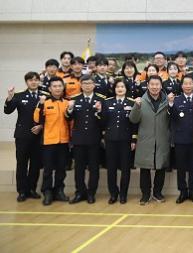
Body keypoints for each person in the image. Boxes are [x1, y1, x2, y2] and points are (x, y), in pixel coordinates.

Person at [4, 72, 45, 201]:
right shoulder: (19, 95)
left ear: (39, 81)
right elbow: (7, 111)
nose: (33, 82)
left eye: (36, 80)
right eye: (30, 80)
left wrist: (41, 126)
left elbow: (49, 116)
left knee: (35, 164)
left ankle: (32, 189)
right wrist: (10, 97)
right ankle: (22, 191)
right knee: (22, 164)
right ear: (26, 82)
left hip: (39, 136)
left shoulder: (45, 96)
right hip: (22, 135)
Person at [129, 75, 171, 205]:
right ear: (147, 85)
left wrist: (171, 105)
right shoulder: (141, 101)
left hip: (162, 139)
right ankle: (145, 195)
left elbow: (172, 119)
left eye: (157, 84)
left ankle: (157, 193)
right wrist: (136, 106)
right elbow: (133, 119)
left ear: (161, 86)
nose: (154, 87)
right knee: (144, 169)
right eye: (152, 84)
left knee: (160, 168)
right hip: (145, 140)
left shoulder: (167, 101)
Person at [66, 75, 105, 204]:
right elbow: (68, 118)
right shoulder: (74, 99)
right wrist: (70, 109)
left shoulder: (101, 99)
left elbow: (104, 121)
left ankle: (91, 193)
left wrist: (100, 111)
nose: (87, 85)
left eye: (90, 83)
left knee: (94, 168)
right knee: (79, 168)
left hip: (94, 139)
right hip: (79, 139)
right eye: (85, 83)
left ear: (94, 85)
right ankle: (80, 192)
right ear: (81, 85)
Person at [169, 75, 193, 203]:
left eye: (190, 83)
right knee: (180, 168)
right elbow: (172, 118)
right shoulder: (176, 100)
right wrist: (170, 104)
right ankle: (183, 192)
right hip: (180, 139)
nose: (188, 86)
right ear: (182, 86)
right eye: (185, 83)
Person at [33, 76, 71, 205]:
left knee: (61, 169)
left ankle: (59, 191)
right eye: (54, 86)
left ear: (63, 87)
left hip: (64, 141)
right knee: (48, 169)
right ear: (49, 88)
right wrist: (40, 104)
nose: (57, 88)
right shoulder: (45, 102)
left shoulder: (67, 102)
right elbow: (36, 119)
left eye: (60, 86)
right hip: (48, 142)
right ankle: (47, 192)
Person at [100, 79, 136, 204]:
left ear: (126, 89)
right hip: (111, 139)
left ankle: (123, 194)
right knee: (111, 169)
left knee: (125, 169)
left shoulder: (132, 102)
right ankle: (113, 194)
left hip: (126, 140)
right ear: (114, 89)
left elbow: (134, 123)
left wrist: (134, 139)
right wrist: (99, 112)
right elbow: (103, 122)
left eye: (122, 87)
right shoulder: (107, 102)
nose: (120, 89)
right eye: (117, 87)